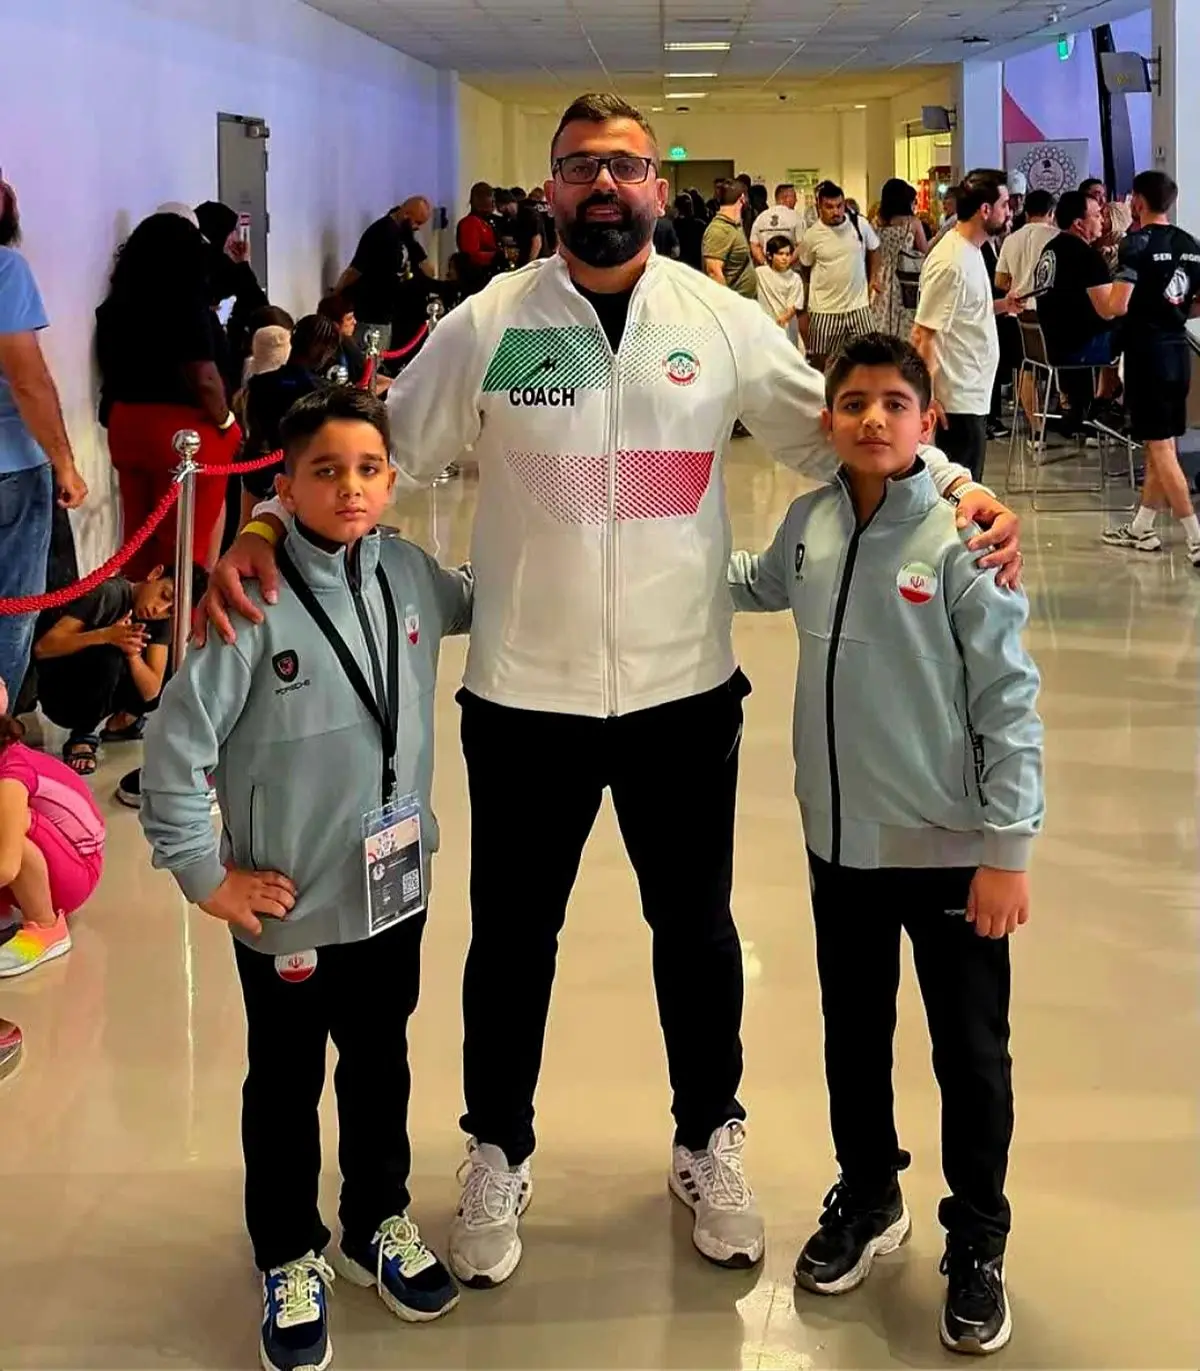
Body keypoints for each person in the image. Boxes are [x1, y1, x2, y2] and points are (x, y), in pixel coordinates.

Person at [201, 91, 1023, 1291]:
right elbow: (380, 449)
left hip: (684, 694)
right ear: (551, 189)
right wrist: (270, 519)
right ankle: (498, 1147)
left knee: (695, 931)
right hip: (524, 696)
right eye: (582, 165)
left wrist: (955, 485)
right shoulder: (494, 323)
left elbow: (841, 432)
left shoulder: (719, 322)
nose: (605, 185)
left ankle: (708, 1138)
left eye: (626, 167)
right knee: (511, 941)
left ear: (655, 189)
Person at [141, 387, 472, 1371]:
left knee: (381, 1061)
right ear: (283, 486)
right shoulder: (249, 598)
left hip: (393, 886)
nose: (351, 488)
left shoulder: (409, 575)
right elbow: (174, 748)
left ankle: (376, 1219)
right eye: (325, 472)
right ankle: (288, 1250)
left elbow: (495, 593)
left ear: (394, 479)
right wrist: (206, 875)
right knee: (285, 1084)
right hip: (287, 905)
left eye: (369, 469)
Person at [728, 333, 1042, 1357]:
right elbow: (755, 581)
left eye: (894, 403)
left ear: (927, 421)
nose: (872, 418)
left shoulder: (964, 541)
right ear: (827, 421)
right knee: (853, 1037)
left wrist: (1007, 849)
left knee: (970, 1056)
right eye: (853, 402)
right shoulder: (811, 523)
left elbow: (1009, 701)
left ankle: (979, 1236)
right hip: (841, 849)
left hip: (950, 854)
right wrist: (636, 554)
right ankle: (870, 1193)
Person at [95, 212, 242, 580]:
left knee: (137, 541)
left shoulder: (115, 306)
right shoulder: (186, 302)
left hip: (126, 423)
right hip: (183, 430)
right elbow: (204, 377)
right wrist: (228, 423)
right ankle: (182, 615)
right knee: (185, 549)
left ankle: (138, 612)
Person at [0, 179, 89, 702]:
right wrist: (65, 463)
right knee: (13, 606)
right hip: (9, 464)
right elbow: (27, 379)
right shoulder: (6, 269)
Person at [1102, 170, 1200, 566]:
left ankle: (1195, 538)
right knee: (1163, 445)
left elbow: (1118, 305)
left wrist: (1100, 303)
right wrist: (1172, 310)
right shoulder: (1190, 244)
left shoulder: (1135, 244)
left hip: (1146, 354)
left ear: (1138, 202)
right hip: (1179, 352)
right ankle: (1142, 527)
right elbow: (1196, 303)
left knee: (1159, 446)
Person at [912, 169, 1020, 482]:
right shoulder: (951, 261)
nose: (1009, 212)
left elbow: (963, 312)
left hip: (972, 391)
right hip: (956, 400)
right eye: (1004, 205)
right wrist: (928, 399)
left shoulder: (972, 250)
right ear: (985, 210)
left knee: (969, 486)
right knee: (960, 492)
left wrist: (1003, 305)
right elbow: (923, 333)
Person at [0, 673, 106, 979]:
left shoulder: (11, 774)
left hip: (74, 873)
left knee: (10, 825)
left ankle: (45, 926)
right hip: (52, 859)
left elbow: (6, 865)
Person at [33, 564, 178, 775]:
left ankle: (125, 719)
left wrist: (133, 654)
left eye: (170, 610)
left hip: (106, 689)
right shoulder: (109, 593)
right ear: (154, 574)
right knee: (110, 655)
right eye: (164, 595)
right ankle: (83, 734)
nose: (159, 609)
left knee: (172, 660)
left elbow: (151, 692)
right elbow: (43, 648)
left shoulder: (161, 620)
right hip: (63, 691)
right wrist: (105, 636)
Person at [1029, 190, 1124, 436]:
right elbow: (1107, 311)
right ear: (1079, 223)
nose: (1102, 220)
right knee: (1141, 333)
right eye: (1096, 215)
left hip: (1050, 344)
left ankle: (1095, 405)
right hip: (1079, 347)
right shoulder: (1087, 257)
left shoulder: (1050, 250)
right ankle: (1106, 406)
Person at [240, 314, 341, 525]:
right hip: (300, 474)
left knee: (249, 528)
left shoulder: (259, 383)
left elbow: (254, 432)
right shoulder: (323, 393)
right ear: (325, 351)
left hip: (258, 469)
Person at [796, 180, 881, 371]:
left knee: (868, 355)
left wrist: (874, 278)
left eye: (839, 206)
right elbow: (805, 267)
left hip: (858, 306)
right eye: (829, 207)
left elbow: (874, 249)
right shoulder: (812, 235)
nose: (836, 211)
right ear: (819, 208)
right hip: (824, 309)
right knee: (821, 361)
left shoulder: (860, 224)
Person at [994, 189, 1058, 433]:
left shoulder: (1011, 239)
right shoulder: (1057, 237)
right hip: (1050, 316)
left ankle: (1035, 427)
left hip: (1018, 315)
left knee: (1025, 369)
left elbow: (1000, 281)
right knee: (1056, 369)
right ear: (1051, 212)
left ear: (1027, 212)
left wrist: (1019, 284)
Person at [333, 198, 433, 353]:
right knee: (369, 360)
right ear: (406, 214)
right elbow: (356, 269)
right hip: (371, 313)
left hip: (387, 313)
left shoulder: (404, 236)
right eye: (417, 222)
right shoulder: (380, 233)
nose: (417, 228)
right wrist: (337, 294)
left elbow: (428, 269)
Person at [194, 201, 270, 367]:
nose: (235, 237)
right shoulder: (218, 268)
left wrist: (241, 264)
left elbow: (260, 308)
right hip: (216, 358)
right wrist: (242, 265)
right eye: (232, 231)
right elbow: (262, 309)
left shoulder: (218, 265)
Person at [871, 177, 929, 339]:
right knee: (904, 323)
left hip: (881, 276)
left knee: (881, 321)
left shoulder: (876, 223)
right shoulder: (912, 223)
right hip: (905, 277)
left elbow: (872, 252)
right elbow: (924, 250)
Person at [702, 182, 758, 299]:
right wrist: (728, 304)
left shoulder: (734, 225)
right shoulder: (719, 229)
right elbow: (713, 272)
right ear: (742, 198)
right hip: (734, 304)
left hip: (744, 302)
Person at [755, 235, 804, 350]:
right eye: (780, 254)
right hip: (765, 328)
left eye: (788, 254)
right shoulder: (760, 273)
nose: (784, 258)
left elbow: (793, 307)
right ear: (769, 255)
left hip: (786, 329)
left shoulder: (795, 278)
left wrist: (782, 320)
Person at [456, 183, 500, 293]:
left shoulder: (487, 222)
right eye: (491, 198)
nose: (493, 204)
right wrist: (497, 256)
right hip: (477, 279)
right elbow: (471, 255)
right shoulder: (470, 223)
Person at [317, 294, 366, 385]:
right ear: (334, 324)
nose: (355, 322)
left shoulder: (348, 343)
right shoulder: (333, 354)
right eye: (349, 319)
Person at [749, 184, 803, 266]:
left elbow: (754, 245)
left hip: (767, 268)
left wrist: (765, 264)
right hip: (790, 269)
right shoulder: (796, 217)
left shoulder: (761, 217)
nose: (796, 200)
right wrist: (786, 264)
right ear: (786, 198)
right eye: (794, 197)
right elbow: (801, 245)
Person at [494, 188, 543, 268]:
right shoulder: (511, 218)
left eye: (500, 206)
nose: (500, 210)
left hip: (537, 262)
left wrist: (529, 265)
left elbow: (537, 242)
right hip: (524, 260)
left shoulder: (529, 214)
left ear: (509, 202)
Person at [673, 194, 706, 271]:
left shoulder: (674, 225)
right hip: (697, 266)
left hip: (679, 266)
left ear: (677, 208)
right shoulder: (700, 225)